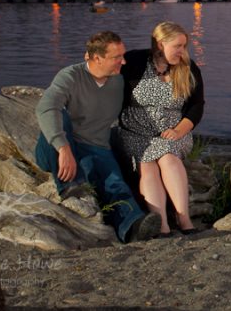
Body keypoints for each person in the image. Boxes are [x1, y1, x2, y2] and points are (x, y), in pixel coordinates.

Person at [34, 31, 161, 243]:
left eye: (123, 54)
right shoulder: (71, 75)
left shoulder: (119, 80)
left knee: (115, 184)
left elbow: (151, 59)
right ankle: (71, 190)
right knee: (60, 114)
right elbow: (46, 107)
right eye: (116, 57)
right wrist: (63, 148)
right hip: (57, 149)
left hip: (96, 146)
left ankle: (134, 227)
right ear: (96, 58)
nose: (123, 60)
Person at [115, 21, 205, 236]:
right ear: (160, 44)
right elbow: (107, 71)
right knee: (147, 165)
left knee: (168, 158)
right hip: (136, 133)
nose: (182, 51)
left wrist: (179, 130)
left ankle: (184, 219)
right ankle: (161, 224)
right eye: (177, 46)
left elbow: (197, 106)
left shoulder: (188, 68)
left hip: (175, 132)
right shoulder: (135, 62)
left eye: (184, 46)